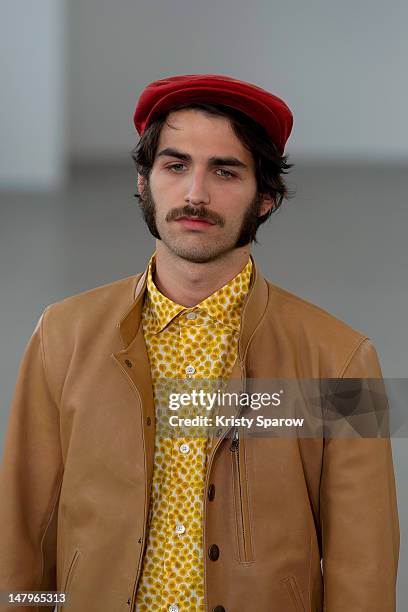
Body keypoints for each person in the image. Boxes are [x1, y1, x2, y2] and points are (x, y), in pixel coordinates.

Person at [0, 74, 399, 612]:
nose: (195, 194)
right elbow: (24, 531)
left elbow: (363, 565)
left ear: (266, 199)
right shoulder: (61, 336)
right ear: (145, 182)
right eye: (175, 165)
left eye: (225, 171)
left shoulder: (343, 360)